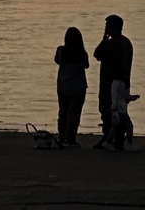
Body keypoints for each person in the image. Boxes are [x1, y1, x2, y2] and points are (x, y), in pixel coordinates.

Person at [93, 15, 133, 149]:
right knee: (120, 111)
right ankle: (119, 139)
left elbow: (97, 54)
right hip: (123, 83)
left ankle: (109, 137)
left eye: (107, 26)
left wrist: (104, 39)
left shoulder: (112, 43)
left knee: (107, 110)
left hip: (110, 83)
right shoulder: (126, 42)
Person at [54, 26, 89, 147]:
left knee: (63, 112)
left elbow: (57, 61)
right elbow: (86, 65)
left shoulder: (61, 51)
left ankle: (61, 136)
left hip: (63, 84)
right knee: (74, 114)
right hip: (78, 86)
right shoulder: (82, 54)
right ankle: (70, 138)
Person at [105, 76, 137, 150]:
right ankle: (129, 143)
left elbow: (122, 96)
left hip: (119, 108)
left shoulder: (117, 83)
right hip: (119, 109)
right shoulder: (118, 83)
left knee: (116, 126)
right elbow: (120, 96)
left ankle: (109, 142)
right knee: (127, 126)